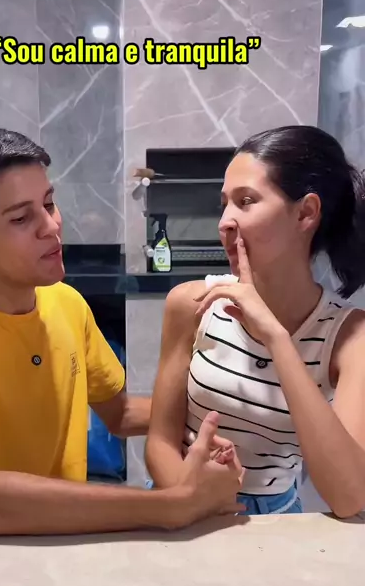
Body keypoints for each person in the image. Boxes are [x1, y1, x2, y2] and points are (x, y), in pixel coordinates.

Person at [0, 127, 244, 536]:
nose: (52, 226)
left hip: (64, 540)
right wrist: (171, 506)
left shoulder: (66, 303)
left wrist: (228, 413)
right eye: (21, 218)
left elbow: (120, 413)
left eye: (49, 203)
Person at [145, 125, 365, 518]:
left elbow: (349, 497)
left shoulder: (350, 335)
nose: (225, 222)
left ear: (306, 213)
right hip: (183, 504)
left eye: (246, 201)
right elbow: (160, 443)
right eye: (224, 204)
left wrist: (276, 337)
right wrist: (189, 500)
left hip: (277, 518)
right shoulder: (192, 304)